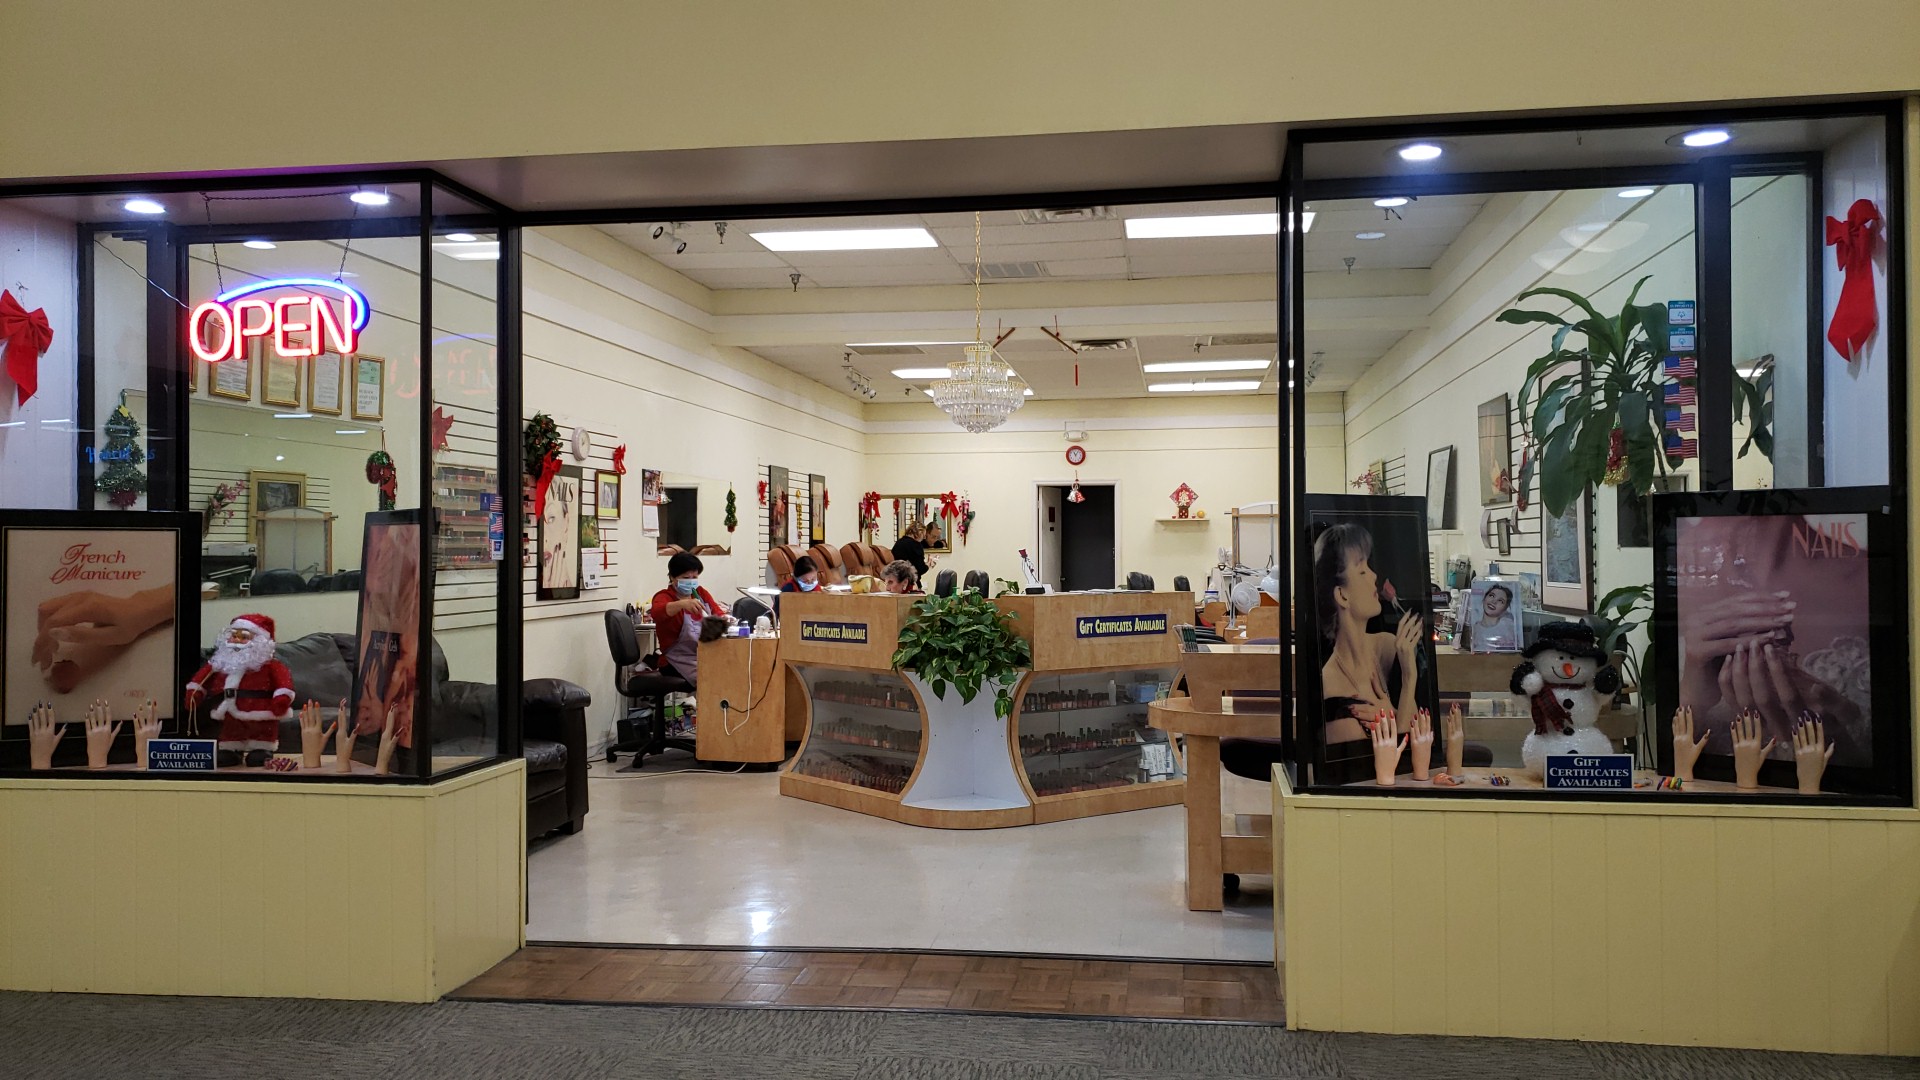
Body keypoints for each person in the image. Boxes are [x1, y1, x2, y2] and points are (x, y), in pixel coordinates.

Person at [1312, 522, 1423, 746]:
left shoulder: (1389, 646)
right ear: (1342, 595)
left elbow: (1425, 744)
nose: (1373, 576)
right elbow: (1404, 755)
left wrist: (1392, 714)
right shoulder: (1331, 689)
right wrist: (1408, 680)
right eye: (1362, 571)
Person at [647, 552, 727, 686]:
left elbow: (717, 612)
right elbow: (656, 612)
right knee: (713, 679)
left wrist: (725, 619)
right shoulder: (664, 597)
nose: (690, 581)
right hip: (675, 661)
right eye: (685, 577)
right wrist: (681, 604)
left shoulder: (700, 593)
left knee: (730, 671)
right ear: (672, 577)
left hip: (703, 655)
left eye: (694, 577)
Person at [1472, 583, 1518, 652]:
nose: (1494, 601)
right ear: (1484, 598)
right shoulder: (1474, 630)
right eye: (1491, 595)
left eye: (1500, 601)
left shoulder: (1508, 628)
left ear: (1505, 608)